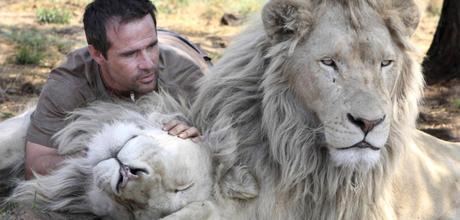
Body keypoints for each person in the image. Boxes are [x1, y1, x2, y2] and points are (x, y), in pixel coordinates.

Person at [25, 0, 211, 180]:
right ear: (97, 54)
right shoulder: (68, 84)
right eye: (130, 54)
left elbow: (229, 146)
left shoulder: (186, 75)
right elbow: (35, 165)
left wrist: (198, 141)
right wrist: (102, 157)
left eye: (152, 46)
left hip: (180, 45)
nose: (148, 64)